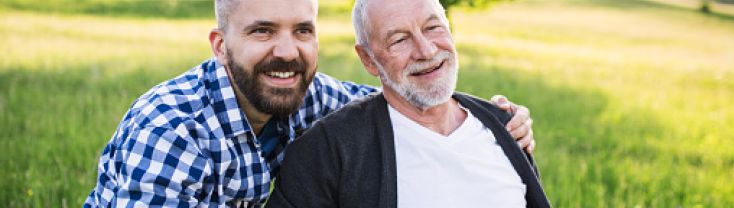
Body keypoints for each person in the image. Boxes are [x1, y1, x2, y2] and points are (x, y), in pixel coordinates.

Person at [84, 0, 536, 207]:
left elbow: (407, 95)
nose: (287, 51)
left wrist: (497, 118)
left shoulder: (313, 96)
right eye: (262, 30)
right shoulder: (171, 129)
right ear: (220, 46)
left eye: (302, 30)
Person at [266, 0, 551, 207]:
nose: (426, 50)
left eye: (433, 28)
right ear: (368, 59)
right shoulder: (327, 152)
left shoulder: (504, 126)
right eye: (400, 40)